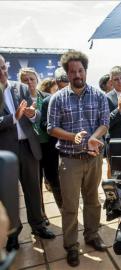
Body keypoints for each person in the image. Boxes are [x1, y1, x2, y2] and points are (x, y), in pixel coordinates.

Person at [47, 50, 110, 267]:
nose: (77, 74)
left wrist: (93, 137)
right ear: (67, 73)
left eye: (80, 70)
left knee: (93, 201)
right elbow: (51, 128)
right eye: (72, 71)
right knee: (70, 206)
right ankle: (71, 246)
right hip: (69, 160)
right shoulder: (57, 99)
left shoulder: (99, 96)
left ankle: (92, 235)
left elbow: (105, 123)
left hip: (93, 159)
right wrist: (72, 137)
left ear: (85, 70)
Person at [0, 55, 55, 252]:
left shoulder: (20, 87)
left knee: (33, 190)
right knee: (9, 196)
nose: (2, 72)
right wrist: (12, 118)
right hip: (6, 153)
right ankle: (13, 234)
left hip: (29, 148)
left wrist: (33, 115)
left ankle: (38, 227)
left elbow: (36, 114)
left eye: (2, 67)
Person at [18, 68, 51, 224]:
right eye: (25, 80)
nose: (29, 82)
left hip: (48, 145)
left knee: (53, 180)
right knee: (35, 185)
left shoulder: (47, 98)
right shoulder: (19, 101)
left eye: (32, 79)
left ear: (37, 80)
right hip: (31, 148)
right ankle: (41, 214)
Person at [39, 79, 62, 209]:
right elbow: (43, 124)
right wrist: (55, 128)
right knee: (53, 178)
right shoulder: (46, 101)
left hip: (65, 148)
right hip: (47, 145)